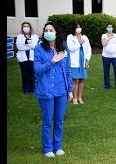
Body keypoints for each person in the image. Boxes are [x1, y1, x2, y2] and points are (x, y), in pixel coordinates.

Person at [33, 21, 73, 158]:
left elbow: (67, 71)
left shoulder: (63, 48)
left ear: (56, 32)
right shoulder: (39, 49)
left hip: (61, 90)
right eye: (46, 30)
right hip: (46, 91)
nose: (48, 32)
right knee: (47, 121)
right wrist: (52, 61)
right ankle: (48, 148)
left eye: (51, 30)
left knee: (59, 121)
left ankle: (58, 146)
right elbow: (37, 70)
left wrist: (70, 90)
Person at [67, 22, 92, 104]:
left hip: (83, 61)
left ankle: (79, 97)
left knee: (81, 80)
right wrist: (79, 43)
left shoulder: (84, 37)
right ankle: (74, 98)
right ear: (74, 28)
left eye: (80, 27)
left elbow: (89, 50)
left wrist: (87, 60)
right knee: (75, 80)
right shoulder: (70, 37)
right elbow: (70, 48)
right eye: (77, 27)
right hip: (74, 62)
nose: (79, 28)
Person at [15, 21, 39, 94]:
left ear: (30, 27)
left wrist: (25, 45)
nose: (26, 28)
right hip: (23, 58)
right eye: (24, 26)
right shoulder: (20, 36)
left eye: (27, 26)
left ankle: (32, 89)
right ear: (22, 28)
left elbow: (35, 46)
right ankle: (26, 89)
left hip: (32, 58)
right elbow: (19, 47)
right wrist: (30, 46)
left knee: (32, 74)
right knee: (25, 74)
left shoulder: (35, 36)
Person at [101, 23, 116, 90]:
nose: (110, 28)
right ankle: (107, 85)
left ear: (112, 28)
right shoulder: (104, 36)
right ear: (106, 28)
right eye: (108, 27)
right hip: (105, 56)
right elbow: (103, 44)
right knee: (106, 71)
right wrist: (109, 38)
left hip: (114, 57)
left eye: (111, 27)